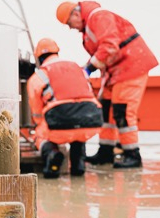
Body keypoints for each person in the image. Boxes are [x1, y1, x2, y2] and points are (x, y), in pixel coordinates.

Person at [56, 0, 159, 168]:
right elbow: (104, 51)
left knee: (123, 111)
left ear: (75, 14)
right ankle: (105, 152)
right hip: (116, 72)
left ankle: (132, 155)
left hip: (131, 68)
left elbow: (109, 46)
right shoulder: (92, 24)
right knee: (106, 111)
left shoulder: (99, 17)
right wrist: (87, 68)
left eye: (69, 23)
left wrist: (88, 69)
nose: (70, 27)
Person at [27, 38, 103, 178]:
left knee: (39, 133)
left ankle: (52, 155)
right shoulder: (77, 68)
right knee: (78, 131)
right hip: (91, 119)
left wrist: (40, 125)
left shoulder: (39, 75)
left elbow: (36, 109)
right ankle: (78, 164)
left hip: (61, 121)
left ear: (39, 57)